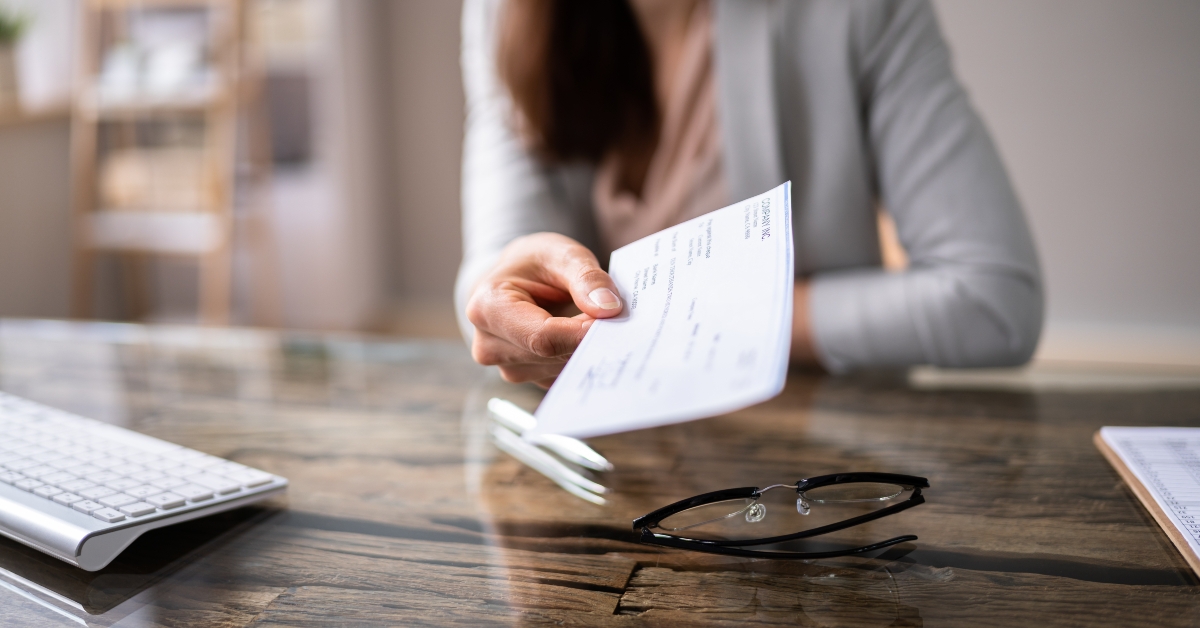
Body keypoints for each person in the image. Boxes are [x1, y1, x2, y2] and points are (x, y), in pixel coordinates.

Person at [457, 0, 1043, 387]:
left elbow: (993, 300)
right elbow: (491, 278)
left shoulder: (856, 11)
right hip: (610, 461)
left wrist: (690, 320)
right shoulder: (501, 13)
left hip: (811, 460)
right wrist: (505, 300)